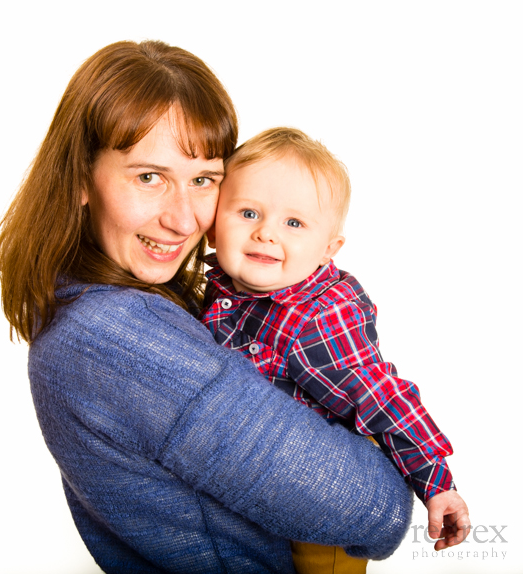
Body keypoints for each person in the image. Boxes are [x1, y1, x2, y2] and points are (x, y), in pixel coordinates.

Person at [0, 40, 414, 574]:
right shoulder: (119, 336)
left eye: (203, 180)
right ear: (80, 178)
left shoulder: (89, 308)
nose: (185, 219)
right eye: (149, 177)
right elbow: (370, 509)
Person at [200, 127, 471, 572]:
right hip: (256, 492)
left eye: (294, 223)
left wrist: (437, 484)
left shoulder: (318, 317)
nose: (267, 233)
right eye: (248, 212)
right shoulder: (221, 291)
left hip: (322, 505)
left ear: (328, 249)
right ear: (213, 227)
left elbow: (382, 395)